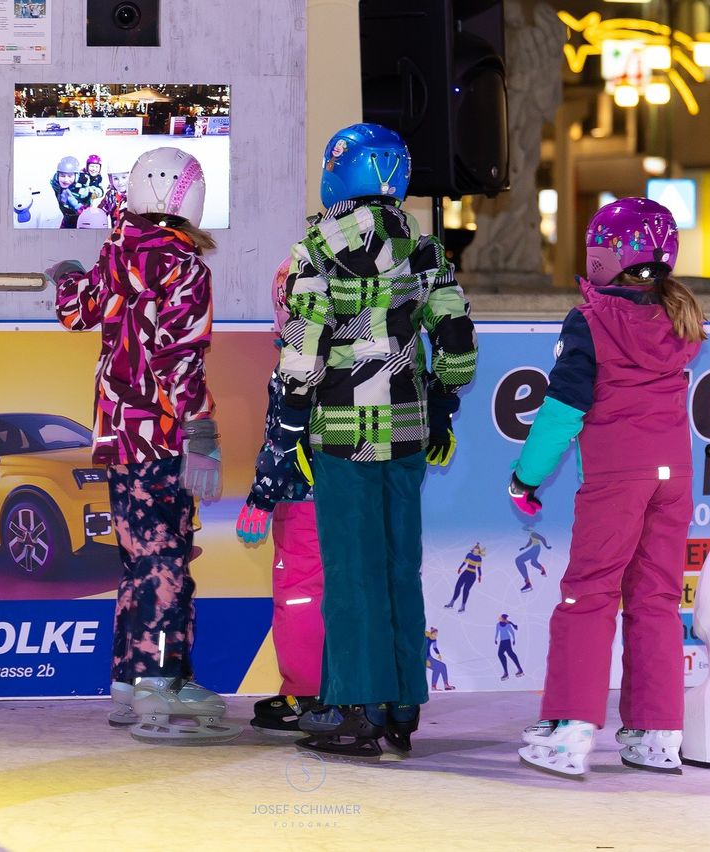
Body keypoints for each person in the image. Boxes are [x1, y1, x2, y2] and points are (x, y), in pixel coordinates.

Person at [281, 123, 477, 758]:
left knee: (349, 570)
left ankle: (355, 707)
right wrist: (442, 403)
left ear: (339, 173)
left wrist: (290, 418)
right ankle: (401, 705)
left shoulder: (316, 250)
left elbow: (303, 354)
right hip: (408, 428)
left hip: (340, 432)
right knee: (400, 564)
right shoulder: (426, 251)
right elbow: (455, 339)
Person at [48, 147, 241, 745]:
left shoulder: (115, 250)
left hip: (117, 433)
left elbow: (77, 314)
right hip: (161, 432)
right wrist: (199, 430)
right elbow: (178, 355)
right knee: (166, 560)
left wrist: (66, 278)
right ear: (186, 198)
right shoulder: (183, 266)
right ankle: (162, 679)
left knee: (138, 558)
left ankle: (130, 684)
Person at [510, 197, 706, 777]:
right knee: (657, 601)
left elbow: (563, 409)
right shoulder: (676, 316)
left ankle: (570, 730)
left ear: (606, 257)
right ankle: (656, 733)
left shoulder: (591, 320)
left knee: (589, 596)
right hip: (673, 478)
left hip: (617, 479)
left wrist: (527, 476)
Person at [236, 258, 325, 736]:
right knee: (351, 591)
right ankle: (360, 690)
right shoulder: (359, 354)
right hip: (354, 496)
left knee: (301, 593)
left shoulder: (295, 364)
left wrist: (261, 497)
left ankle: (306, 693)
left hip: (302, 499)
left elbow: (281, 439)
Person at [445, 542, 485, 612]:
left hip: (472, 575)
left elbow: (479, 568)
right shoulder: (469, 555)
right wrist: (460, 568)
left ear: (479, 550)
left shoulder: (479, 558)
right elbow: (464, 562)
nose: (476, 549)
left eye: (477, 548)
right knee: (458, 586)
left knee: (465, 590)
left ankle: (463, 606)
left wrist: (480, 576)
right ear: (473, 549)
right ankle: (452, 602)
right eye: (475, 548)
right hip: (465, 572)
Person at [49, 155, 83, 229]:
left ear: (76, 177)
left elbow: (89, 215)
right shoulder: (54, 187)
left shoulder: (81, 190)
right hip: (60, 222)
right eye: (62, 176)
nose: (66, 180)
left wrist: (76, 206)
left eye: (70, 176)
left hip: (79, 222)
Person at [515, 527, 551, 593]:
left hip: (535, 549)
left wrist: (546, 546)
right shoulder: (531, 535)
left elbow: (542, 538)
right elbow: (530, 542)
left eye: (524, 531)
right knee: (533, 562)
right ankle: (542, 569)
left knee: (518, 560)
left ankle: (528, 583)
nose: (524, 533)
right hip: (536, 548)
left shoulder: (533, 534)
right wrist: (524, 548)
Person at [495, 614, 524, 681]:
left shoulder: (507, 625)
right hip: (502, 641)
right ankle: (509, 671)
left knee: (507, 654)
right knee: (504, 654)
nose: (500, 619)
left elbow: (512, 632)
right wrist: (495, 639)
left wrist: (514, 639)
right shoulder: (498, 625)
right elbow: (497, 632)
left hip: (507, 641)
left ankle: (512, 671)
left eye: (501, 618)